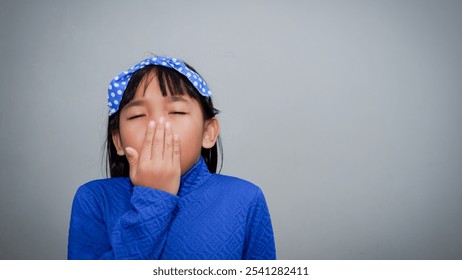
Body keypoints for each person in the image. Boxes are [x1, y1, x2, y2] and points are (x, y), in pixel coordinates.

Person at [68, 55, 276, 259]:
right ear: (118, 141)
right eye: (138, 115)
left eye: (176, 112)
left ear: (208, 132)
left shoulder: (245, 197)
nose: (158, 125)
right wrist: (154, 197)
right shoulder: (94, 199)